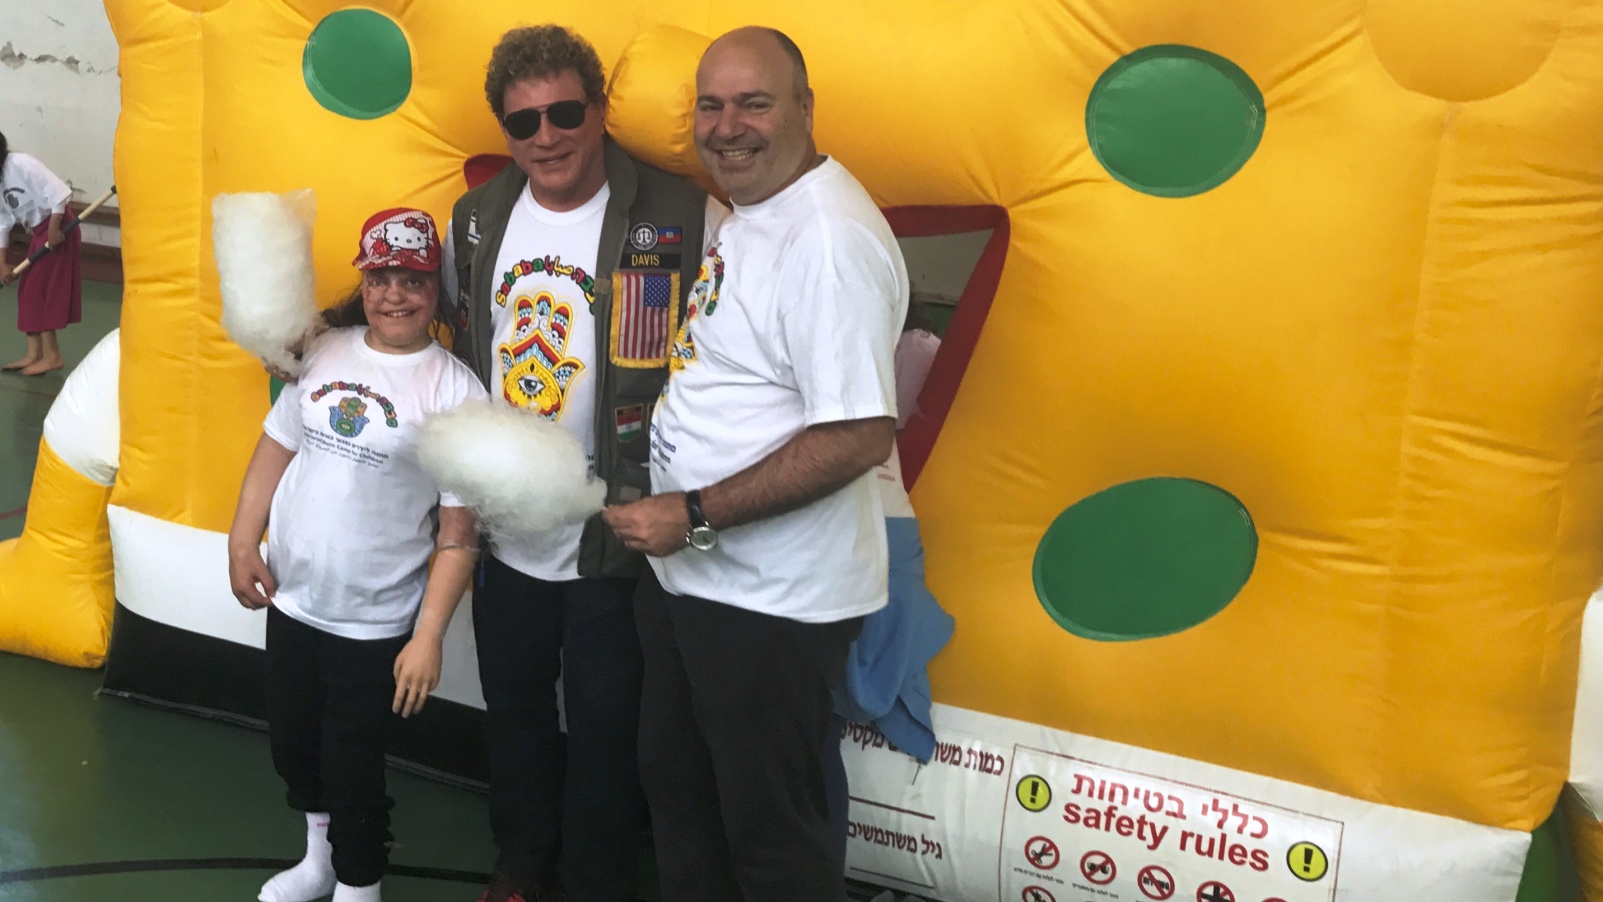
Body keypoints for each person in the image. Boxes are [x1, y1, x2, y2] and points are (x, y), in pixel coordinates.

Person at [602, 27, 909, 902]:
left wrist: (691, 512)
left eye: (754, 102)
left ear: (805, 109)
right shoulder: (750, 211)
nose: (727, 126)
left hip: (768, 605)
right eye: (710, 104)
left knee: (770, 837)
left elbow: (856, 436)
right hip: (695, 585)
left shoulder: (828, 242)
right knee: (684, 798)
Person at [442, 25, 722, 902]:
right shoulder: (479, 217)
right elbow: (454, 347)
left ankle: (594, 876)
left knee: (609, 722)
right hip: (508, 529)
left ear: (598, 111)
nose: (547, 136)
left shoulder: (680, 214)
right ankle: (521, 860)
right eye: (523, 121)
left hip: (620, 521)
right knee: (515, 709)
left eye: (565, 111)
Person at [227, 209, 486, 902]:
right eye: (381, 278)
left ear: (435, 289)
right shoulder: (325, 351)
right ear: (363, 281)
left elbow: (459, 530)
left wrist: (427, 635)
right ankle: (319, 859)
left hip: (371, 619)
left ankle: (360, 881)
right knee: (293, 745)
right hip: (294, 597)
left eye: (412, 279)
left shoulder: (453, 388)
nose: (394, 294)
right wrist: (241, 539)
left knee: (353, 762)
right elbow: (275, 447)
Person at [0, 130, 81, 376]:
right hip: (39, 232)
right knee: (27, 290)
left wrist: (55, 229)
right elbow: (2, 222)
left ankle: (53, 356)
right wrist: (2, 264)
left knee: (41, 290)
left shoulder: (20, 164)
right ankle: (33, 354)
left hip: (59, 227)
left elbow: (58, 192)